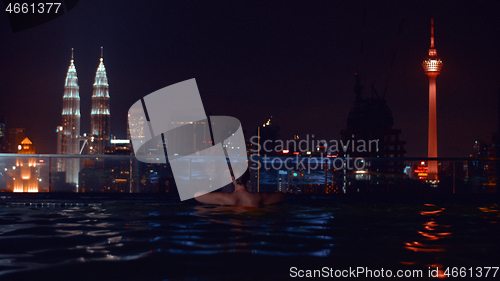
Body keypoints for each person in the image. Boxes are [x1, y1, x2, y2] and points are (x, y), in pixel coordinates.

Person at [194, 170, 286, 206]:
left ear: (232, 179)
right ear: (248, 179)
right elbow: (282, 196)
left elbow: (197, 195)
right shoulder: (258, 198)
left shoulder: (225, 198)